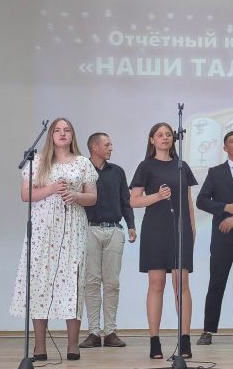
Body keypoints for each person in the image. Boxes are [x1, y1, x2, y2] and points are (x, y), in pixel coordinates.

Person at [10, 117, 98, 361]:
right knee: (40, 282)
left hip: (73, 230)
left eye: (67, 130)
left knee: (73, 283)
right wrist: (51, 189)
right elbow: (25, 195)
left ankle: (73, 345)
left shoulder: (82, 162)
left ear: (72, 135)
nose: (62, 133)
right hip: (42, 230)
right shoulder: (38, 161)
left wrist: (76, 195)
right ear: (50, 135)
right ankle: (39, 347)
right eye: (57, 130)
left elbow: (92, 197)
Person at [129, 122, 198, 360]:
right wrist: (157, 196)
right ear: (152, 140)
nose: (165, 138)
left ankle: (185, 339)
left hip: (180, 229)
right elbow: (134, 200)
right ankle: (154, 341)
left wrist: (192, 231)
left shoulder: (181, 166)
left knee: (182, 284)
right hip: (155, 230)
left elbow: (188, 202)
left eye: (169, 134)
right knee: (156, 284)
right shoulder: (145, 166)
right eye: (160, 135)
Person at [196, 131, 233, 346]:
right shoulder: (215, 172)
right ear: (225, 148)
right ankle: (208, 330)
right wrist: (224, 208)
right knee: (216, 282)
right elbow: (201, 201)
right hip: (222, 236)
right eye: (232, 141)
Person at [79, 133, 137, 349]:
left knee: (112, 283)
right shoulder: (82, 170)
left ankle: (110, 331)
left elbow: (125, 201)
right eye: (107, 144)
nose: (111, 148)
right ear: (94, 147)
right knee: (91, 282)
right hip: (89, 230)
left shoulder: (117, 172)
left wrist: (131, 225)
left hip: (114, 230)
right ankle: (94, 332)